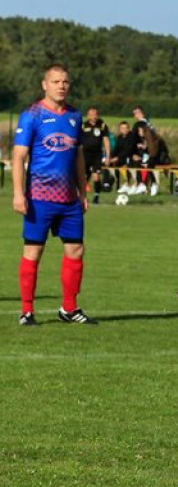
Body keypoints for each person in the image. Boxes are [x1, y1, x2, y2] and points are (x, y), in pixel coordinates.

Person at [11, 63, 96, 325]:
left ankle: (69, 309)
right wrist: (17, 193)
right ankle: (27, 311)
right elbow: (18, 155)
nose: (61, 86)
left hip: (69, 199)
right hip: (39, 197)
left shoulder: (74, 116)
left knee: (76, 250)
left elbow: (78, 156)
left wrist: (83, 191)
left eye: (65, 82)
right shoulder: (32, 115)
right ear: (44, 85)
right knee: (33, 252)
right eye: (56, 81)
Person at [80, 106, 110, 204]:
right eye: (91, 114)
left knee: (96, 176)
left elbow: (106, 140)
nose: (94, 116)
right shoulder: (84, 126)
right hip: (85, 154)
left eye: (95, 114)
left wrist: (108, 156)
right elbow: (78, 141)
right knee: (84, 177)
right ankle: (82, 196)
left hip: (97, 154)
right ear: (88, 116)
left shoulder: (102, 125)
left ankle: (96, 196)